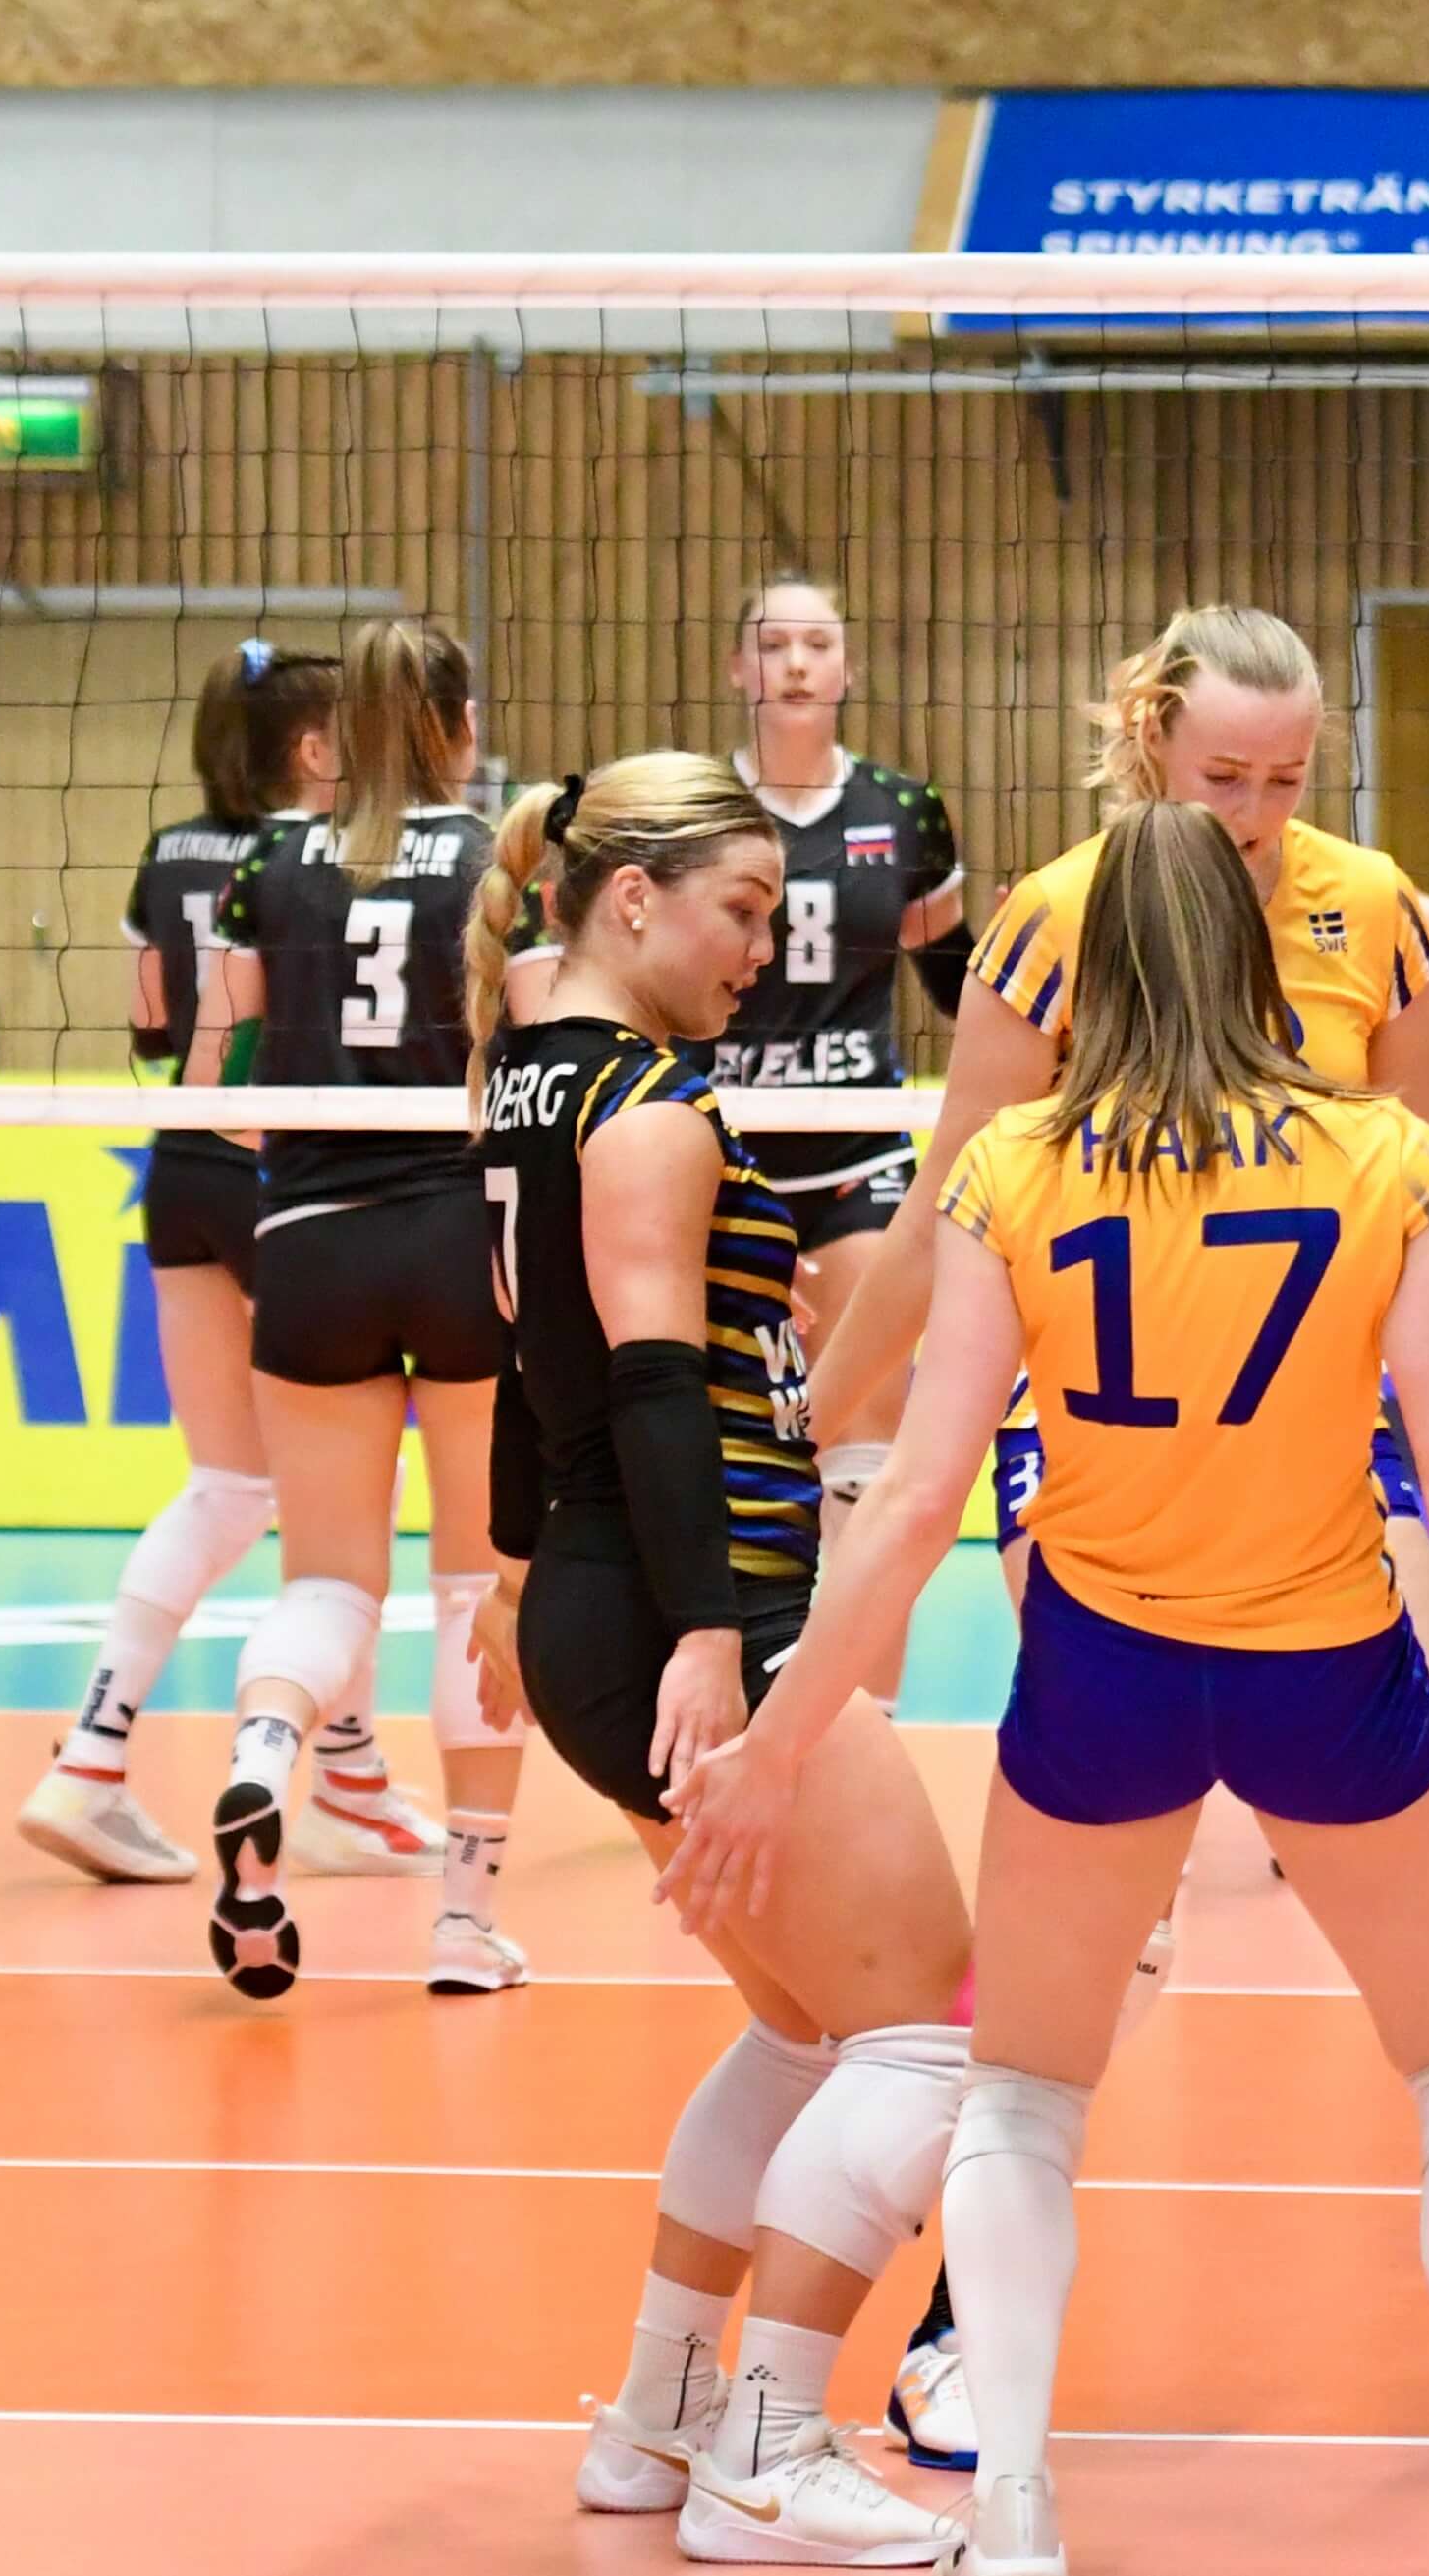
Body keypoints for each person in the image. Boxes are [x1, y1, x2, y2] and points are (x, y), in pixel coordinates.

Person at [667, 797, 1429, 2576]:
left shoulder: (1008, 1170)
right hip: (1328, 1666)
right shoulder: (1384, 1155)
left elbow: (911, 1502)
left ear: (1085, 984)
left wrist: (774, 1742)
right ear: (1250, 953)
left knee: (1022, 2097)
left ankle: (1012, 2510)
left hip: (1104, 1674)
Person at [478, 754, 974, 2566]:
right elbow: (646, 1384)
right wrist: (708, 1632)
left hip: (603, 1594)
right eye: (741, 910)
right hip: (699, 1607)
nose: (765, 950)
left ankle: (658, 2413)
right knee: (936, 2024)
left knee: (799, 2026)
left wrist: (513, 1577)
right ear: (633, 899)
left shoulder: (523, 1075)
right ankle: (766, 2449)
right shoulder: (650, 1106)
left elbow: (521, 1350)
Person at [25, 643, 462, 1883]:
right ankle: (350, 1786)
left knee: (228, 1487)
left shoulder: (173, 853)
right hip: (302, 1171)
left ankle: (94, 1757)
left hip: (182, 1163)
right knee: (340, 1516)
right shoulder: (322, 858)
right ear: (319, 748)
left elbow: (152, 1028)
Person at [193, 615, 528, 1998]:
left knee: (326, 1580)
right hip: (460, 1236)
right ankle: (465, 1920)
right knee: (477, 1586)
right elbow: (542, 1050)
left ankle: (264, 1753)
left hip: (311, 1239)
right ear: (455, 725)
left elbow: (212, 1094)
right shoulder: (505, 858)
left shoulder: (266, 864)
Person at [715, 576, 973, 1546]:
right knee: (735, 1439)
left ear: (846, 669)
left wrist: (1039, 986)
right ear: (736, 667)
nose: (794, 664)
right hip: (720, 1162)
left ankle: (865, 1651)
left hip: (858, 1154)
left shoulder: (904, 809)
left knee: (865, 1441)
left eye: (816, 645)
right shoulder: (700, 810)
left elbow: (950, 978)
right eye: (772, 643)